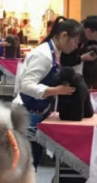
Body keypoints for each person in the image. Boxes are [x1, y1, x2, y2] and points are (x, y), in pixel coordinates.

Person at [13, 16, 80, 165]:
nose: (76, 46)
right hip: (26, 112)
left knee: (31, 164)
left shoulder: (55, 53)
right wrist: (56, 90)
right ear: (64, 36)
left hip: (38, 112)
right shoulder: (43, 55)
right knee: (22, 166)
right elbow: (26, 85)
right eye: (75, 42)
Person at [61, 15, 97, 83]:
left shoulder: (87, 38)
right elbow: (64, 60)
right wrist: (82, 58)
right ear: (88, 31)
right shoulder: (73, 37)